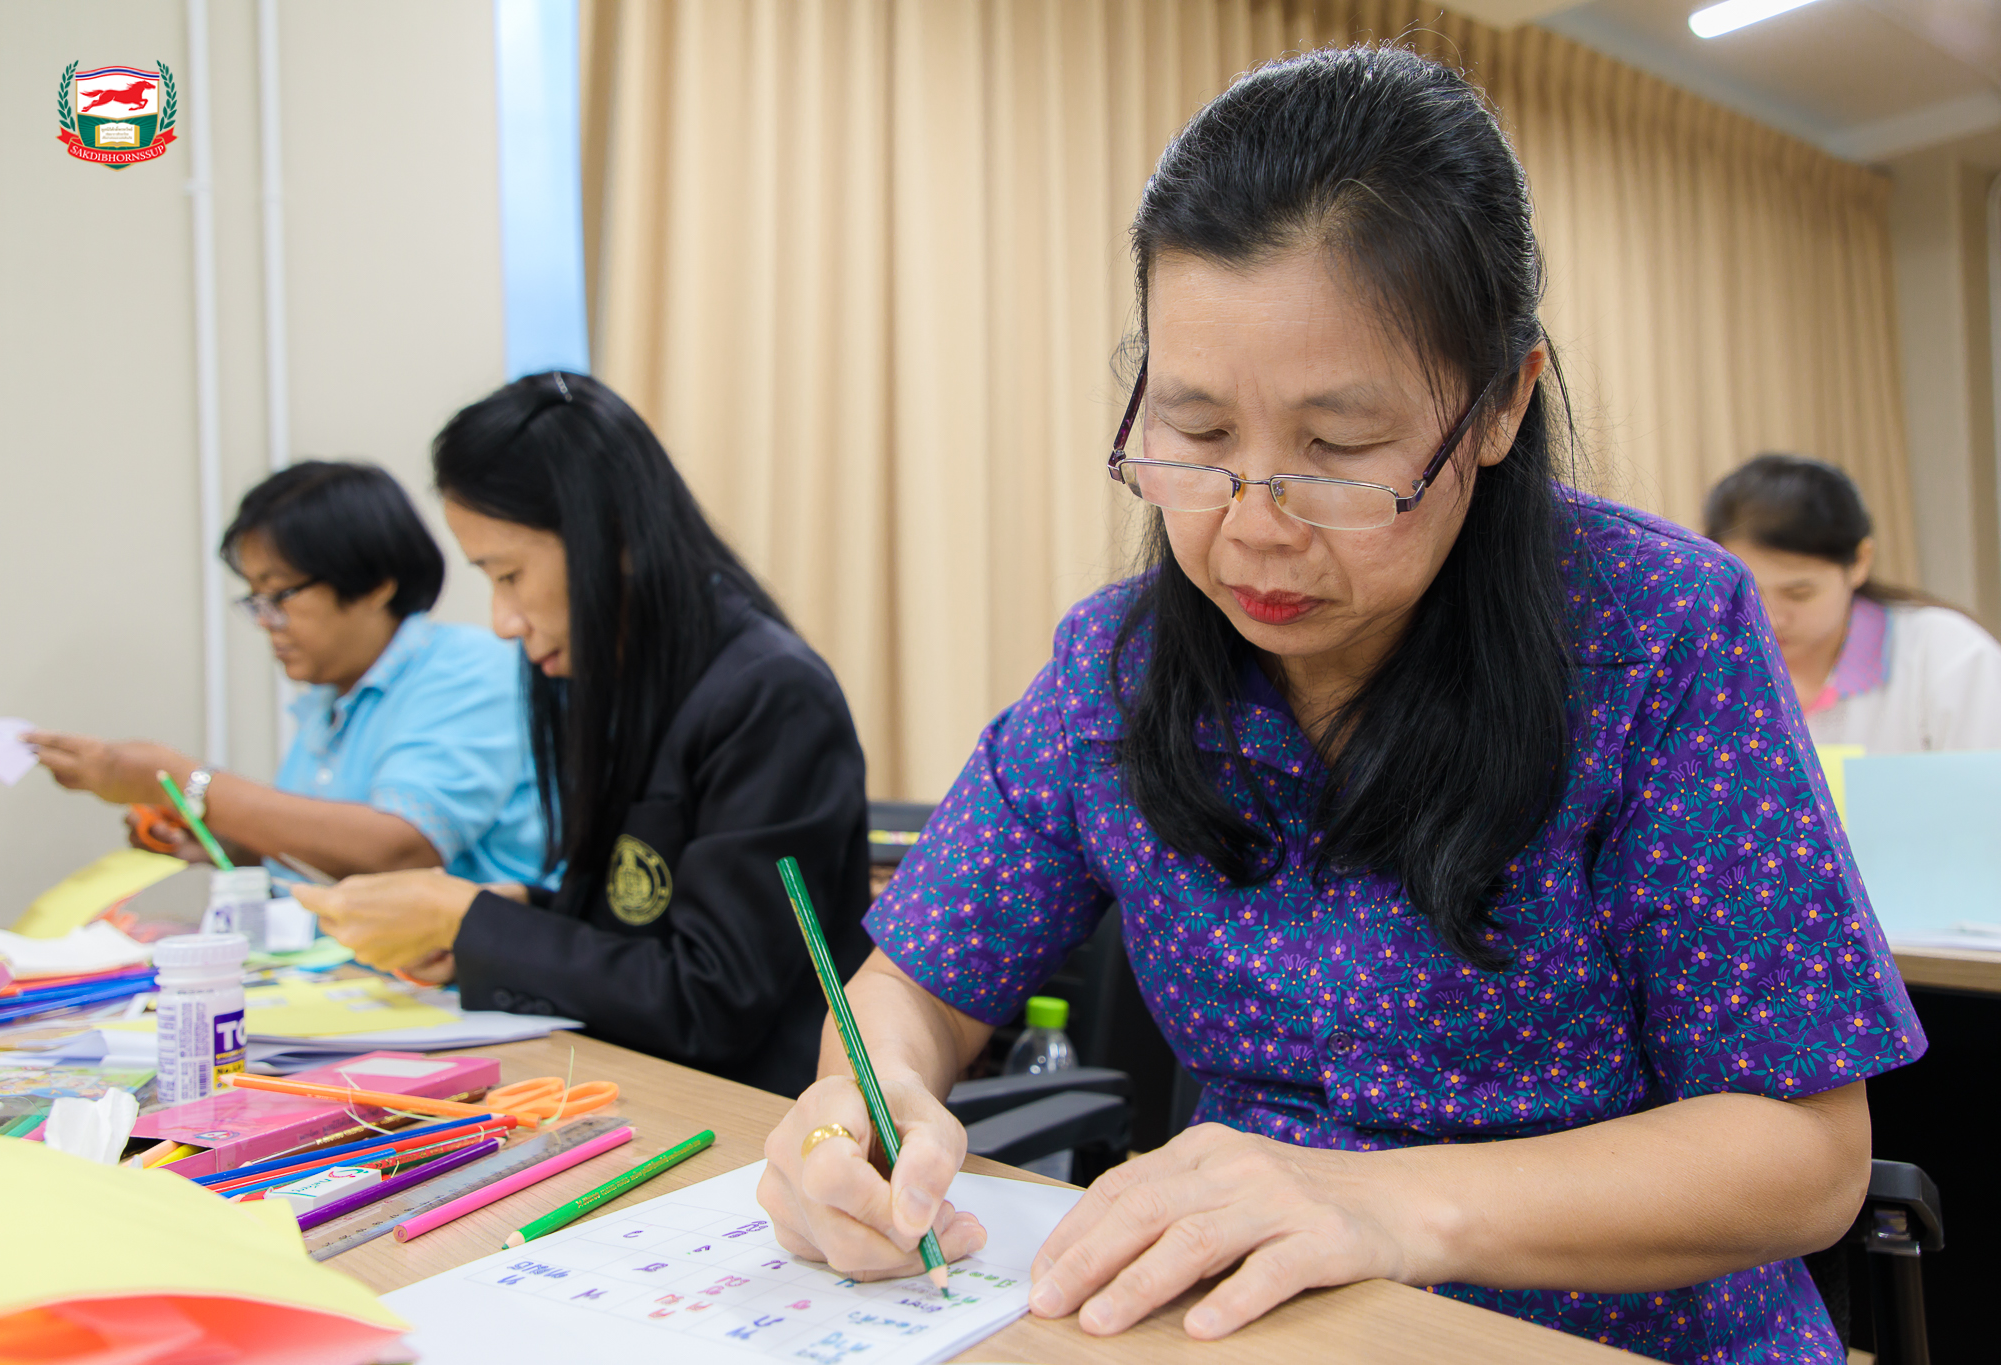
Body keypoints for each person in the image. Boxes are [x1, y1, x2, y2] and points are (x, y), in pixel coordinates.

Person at [754, 47, 1921, 1363]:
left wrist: (1381, 1205)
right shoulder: (1114, 672)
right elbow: (913, 988)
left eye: (1341, 449)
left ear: (1500, 403)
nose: (1254, 526)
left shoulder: (1658, 638)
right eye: (1197, 434)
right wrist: (857, 1112)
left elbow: (1803, 1158)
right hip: (1249, 1331)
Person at [293, 372, 872, 1097]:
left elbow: (712, 1000)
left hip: (752, 1114)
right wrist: (494, 924)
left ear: (612, 537)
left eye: (508, 575)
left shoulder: (770, 695)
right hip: (630, 1082)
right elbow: (634, 922)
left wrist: (469, 918)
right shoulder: (616, 673)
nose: (502, 621)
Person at [28, 461, 544, 885]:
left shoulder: (471, 669)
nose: (266, 621)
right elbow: (334, 852)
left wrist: (182, 783)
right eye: (256, 599)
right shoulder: (331, 697)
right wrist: (222, 842)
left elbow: (399, 850)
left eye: (281, 595)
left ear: (375, 584)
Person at [1706, 452, 2001, 752]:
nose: (1772, 618)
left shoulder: (1945, 656)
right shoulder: (1703, 665)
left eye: (1799, 593)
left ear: (1860, 561)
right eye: (1748, 594)